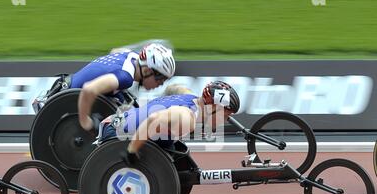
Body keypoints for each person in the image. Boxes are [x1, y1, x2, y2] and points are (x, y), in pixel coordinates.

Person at [32, 43, 176, 132]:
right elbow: (89, 89)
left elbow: (115, 50)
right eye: (160, 79)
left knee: (128, 106)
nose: (161, 84)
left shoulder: (131, 55)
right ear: (146, 71)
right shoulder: (125, 78)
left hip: (64, 85)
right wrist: (85, 122)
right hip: (67, 103)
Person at [96, 81, 240, 163]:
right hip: (114, 135)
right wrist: (132, 151)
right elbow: (153, 120)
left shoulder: (190, 97)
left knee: (172, 148)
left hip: (115, 123)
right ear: (214, 107)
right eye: (226, 114)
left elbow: (174, 87)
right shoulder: (187, 117)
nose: (227, 120)